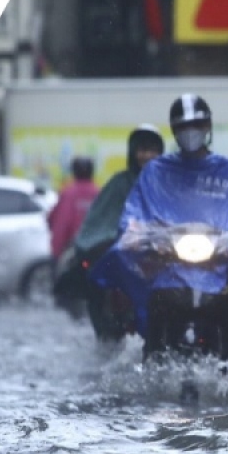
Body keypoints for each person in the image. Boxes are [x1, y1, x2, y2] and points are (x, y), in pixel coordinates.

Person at [95, 94, 228, 360]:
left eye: (196, 125)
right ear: (174, 130)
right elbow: (133, 219)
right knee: (157, 307)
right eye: (183, 127)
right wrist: (143, 238)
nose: (190, 132)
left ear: (208, 128)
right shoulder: (156, 172)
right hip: (169, 271)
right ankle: (154, 366)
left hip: (218, 272)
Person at [59, 125, 165, 340]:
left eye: (152, 149)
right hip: (126, 251)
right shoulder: (119, 183)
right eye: (142, 149)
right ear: (133, 152)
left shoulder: (169, 182)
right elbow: (99, 222)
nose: (147, 155)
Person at [48, 156, 98, 261]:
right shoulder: (99, 192)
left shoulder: (68, 192)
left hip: (71, 249)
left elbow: (57, 220)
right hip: (94, 249)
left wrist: (56, 250)